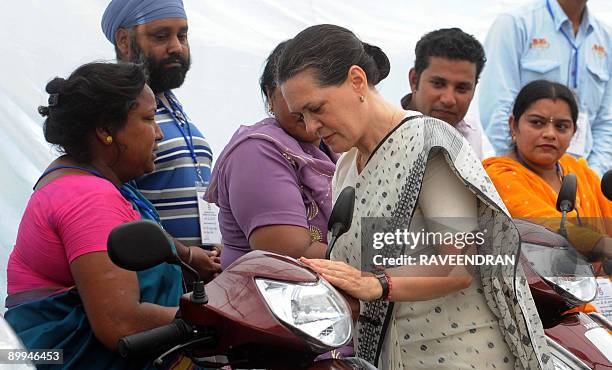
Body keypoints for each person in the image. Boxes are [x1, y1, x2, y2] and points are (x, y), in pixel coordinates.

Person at [276, 24, 551, 370]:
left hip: (462, 356)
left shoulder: (428, 144)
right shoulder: (346, 167)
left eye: (317, 108)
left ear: (357, 81)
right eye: (301, 115)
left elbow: (460, 266)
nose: (311, 126)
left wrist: (374, 283)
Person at [4, 62, 220, 369]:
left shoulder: (75, 178)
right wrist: (222, 321)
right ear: (106, 130)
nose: (158, 134)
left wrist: (188, 256)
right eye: (148, 119)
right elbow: (120, 324)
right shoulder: (89, 198)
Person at [205, 41, 338, 270]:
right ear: (270, 96)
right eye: (292, 96)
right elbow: (290, 255)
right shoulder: (258, 151)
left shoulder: (334, 147)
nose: (306, 105)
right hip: (275, 299)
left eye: (319, 92)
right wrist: (383, 256)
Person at [102, 0, 213, 246]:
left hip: (199, 276)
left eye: (182, 35)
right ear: (123, 41)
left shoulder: (173, 106)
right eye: (161, 36)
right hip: (158, 275)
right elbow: (110, 206)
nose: (176, 47)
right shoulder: (116, 113)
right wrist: (183, 255)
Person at [483, 80, 612, 265]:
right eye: (537, 123)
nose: (550, 133)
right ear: (513, 125)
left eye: (561, 126)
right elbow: (545, 228)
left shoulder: (578, 170)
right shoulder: (498, 175)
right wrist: (601, 244)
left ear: (573, 132)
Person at [479, 0, 612, 176]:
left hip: (584, 179)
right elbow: (497, 108)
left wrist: (590, 176)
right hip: (523, 175)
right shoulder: (515, 24)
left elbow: (606, 121)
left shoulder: (606, 38)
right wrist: (528, 173)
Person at [401, 27, 486, 159]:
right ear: (414, 80)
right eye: (438, 84)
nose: (448, 99)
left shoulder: (472, 133)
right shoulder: (381, 134)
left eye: (461, 88)